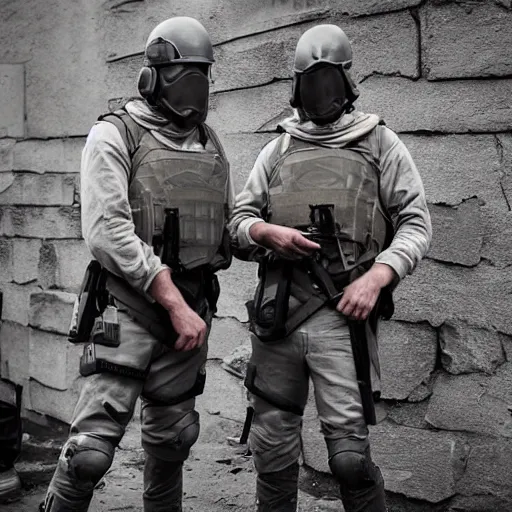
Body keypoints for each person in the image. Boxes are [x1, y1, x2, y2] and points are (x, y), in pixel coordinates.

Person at [228, 24, 432, 512]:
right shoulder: (278, 148)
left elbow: (416, 224)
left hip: (342, 315)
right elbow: (238, 221)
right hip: (278, 312)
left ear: (346, 81)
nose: (321, 94)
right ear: (296, 87)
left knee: (349, 460)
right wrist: (264, 233)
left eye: (329, 80)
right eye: (311, 82)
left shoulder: (379, 142)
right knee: (271, 448)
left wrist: (379, 276)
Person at [40, 16, 233, 512]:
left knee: (173, 441)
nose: (195, 87)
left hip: (190, 316)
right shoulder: (114, 135)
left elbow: (226, 224)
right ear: (151, 78)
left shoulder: (210, 142)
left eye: (202, 74)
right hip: (128, 310)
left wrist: (265, 234)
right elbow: (107, 231)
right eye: (182, 74)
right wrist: (168, 298)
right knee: (89, 455)